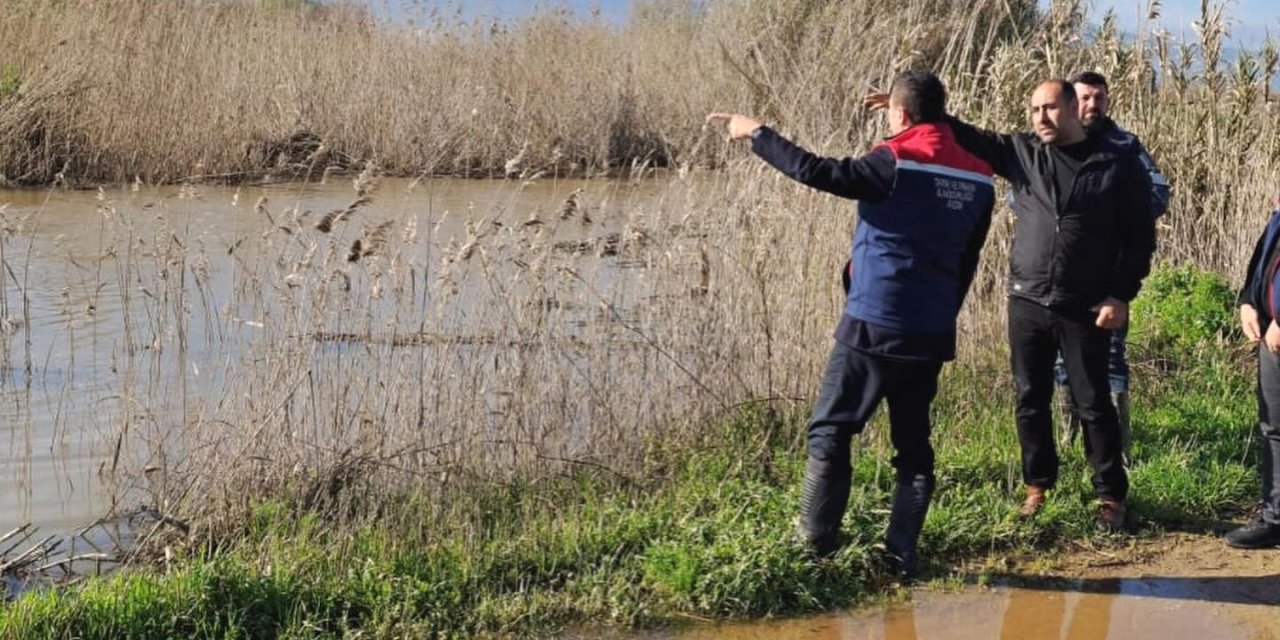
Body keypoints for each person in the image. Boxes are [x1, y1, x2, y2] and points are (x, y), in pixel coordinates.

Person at [707, 70, 995, 579]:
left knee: (831, 431)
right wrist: (942, 315)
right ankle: (900, 555)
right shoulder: (979, 176)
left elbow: (819, 171)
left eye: (895, 112)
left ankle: (815, 547)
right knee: (913, 443)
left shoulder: (896, 160)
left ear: (900, 114)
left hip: (874, 324)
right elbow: (969, 259)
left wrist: (756, 132)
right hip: (930, 332)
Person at [937, 80, 1157, 532]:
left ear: (1075, 108)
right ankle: (1037, 486)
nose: (1041, 117)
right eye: (1035, 108)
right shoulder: (1023, 153)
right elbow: (970, 136)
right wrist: (922, 111)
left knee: (1093, 401)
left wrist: (1121, 294)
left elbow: (1140, 236)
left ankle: (1110, 496)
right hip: (1027, 298)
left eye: (1051, 107)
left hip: (1086, 305)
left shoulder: (1115, 163)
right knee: (1029, 397)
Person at [1054, 71, 1171, 452]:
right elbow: (1025, 195)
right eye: (1085, 98)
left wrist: (1113, 214)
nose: (1092, 105)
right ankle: (1069, 442)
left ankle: (1116, 449)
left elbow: (1159, 191)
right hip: (1059, 276)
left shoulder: (1124, 144)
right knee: (1061, 361)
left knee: (1111, 359)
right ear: (1072, 102)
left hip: (1109, 276)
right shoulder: (1055, 141)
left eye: (1099, 98)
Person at [1226, 207, 1280, 549]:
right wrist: (1249, 300)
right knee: (1274, 427)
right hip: (1271, 338)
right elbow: (1265, 256)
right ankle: (1276, 518)